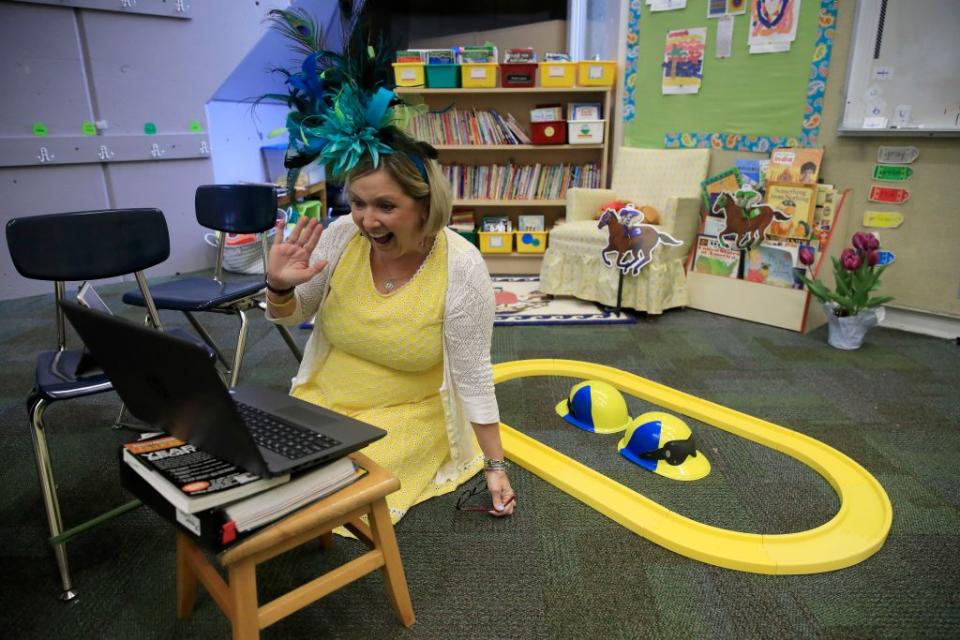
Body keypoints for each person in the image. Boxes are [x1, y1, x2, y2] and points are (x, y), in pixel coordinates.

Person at [263, 146, 516, 524]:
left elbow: (473, 374)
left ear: (425, 206)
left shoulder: (461, 267)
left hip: (406, 412)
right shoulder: (342, 236)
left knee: (332, 492)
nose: (368, 221)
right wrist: (279, 286)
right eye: (358, 203)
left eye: (386, 206)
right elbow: (295, 313)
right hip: (323, 399)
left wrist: (495, 465)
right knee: (264, 471)